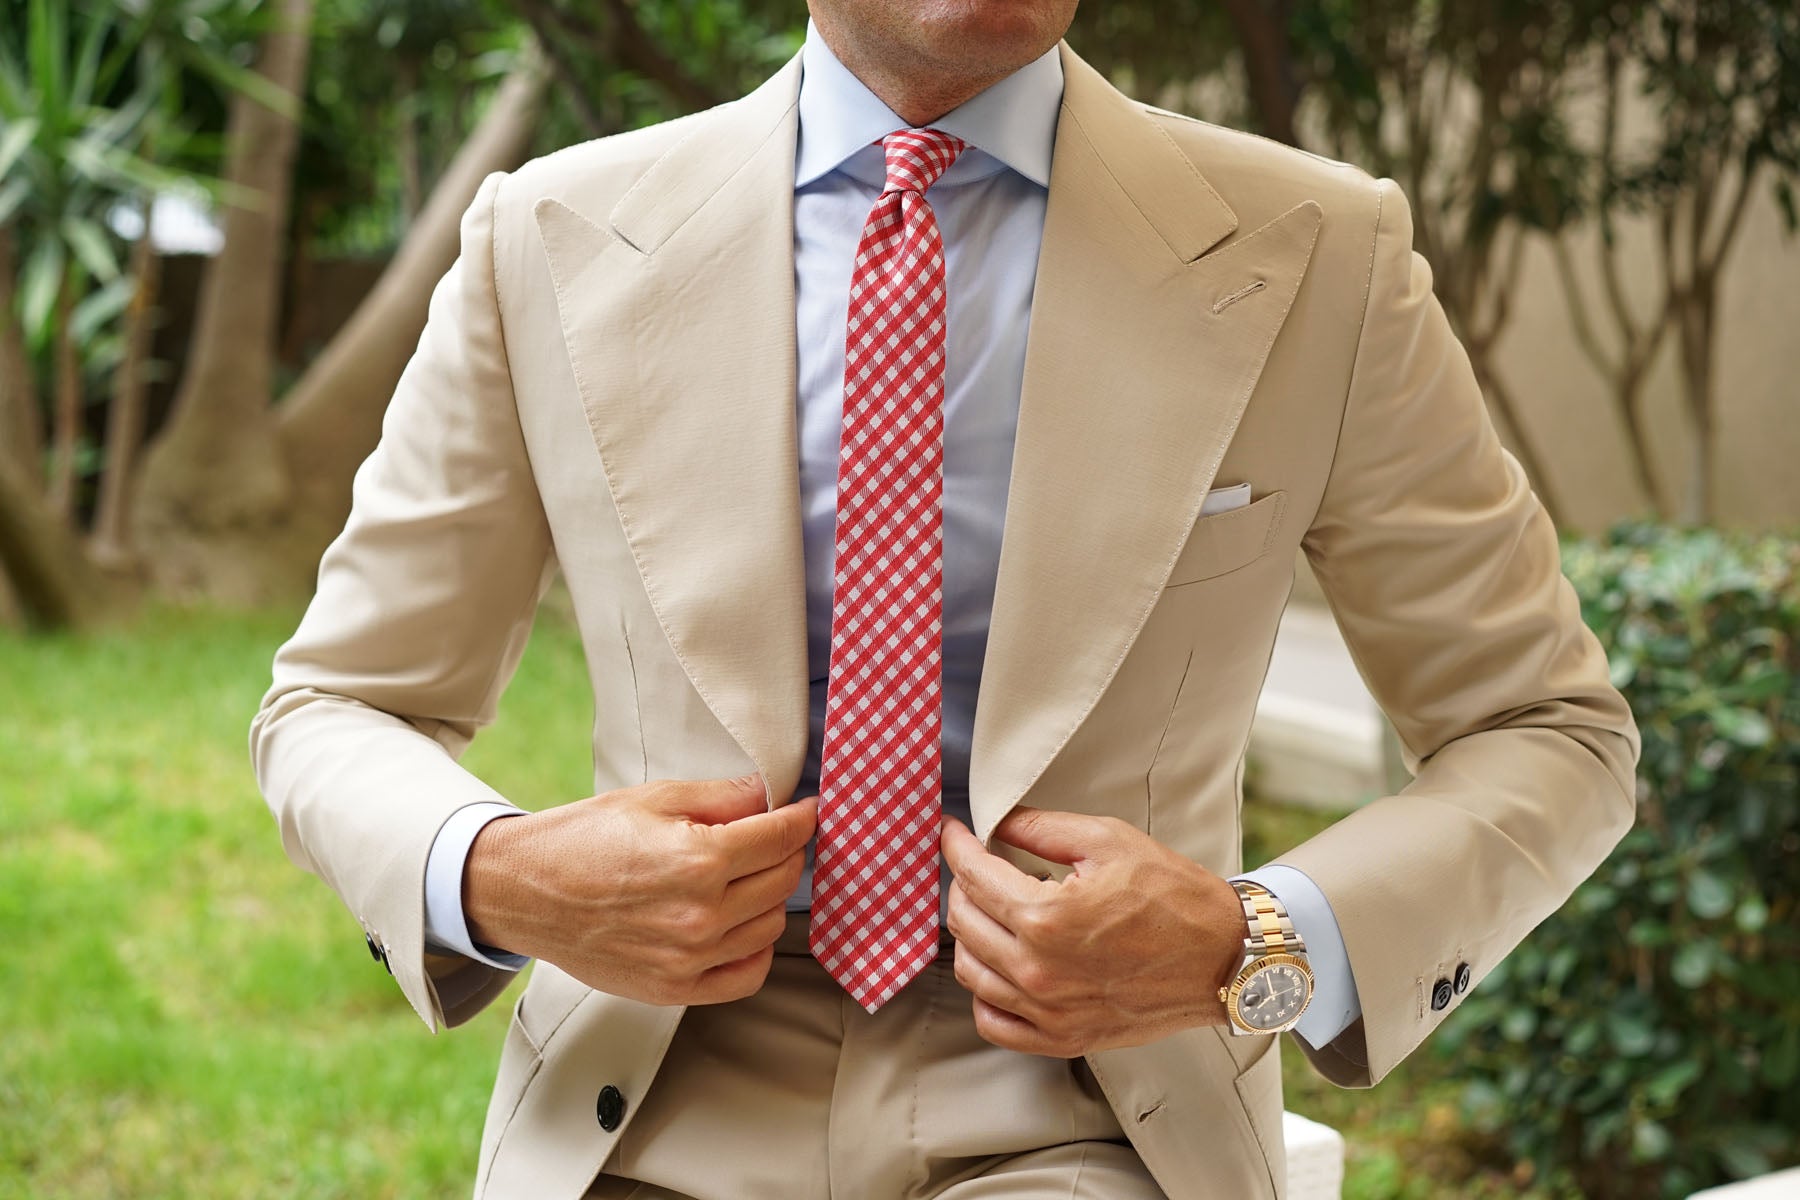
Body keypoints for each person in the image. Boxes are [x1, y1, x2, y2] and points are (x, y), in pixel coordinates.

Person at [250, 1, 1641, 1196]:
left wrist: (1248, 937)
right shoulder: (544, 238)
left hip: (1094, 1115)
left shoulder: (1321, 251)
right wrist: (501, 878)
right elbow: (336, 703)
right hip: (654, 1102)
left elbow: (1549, 731)